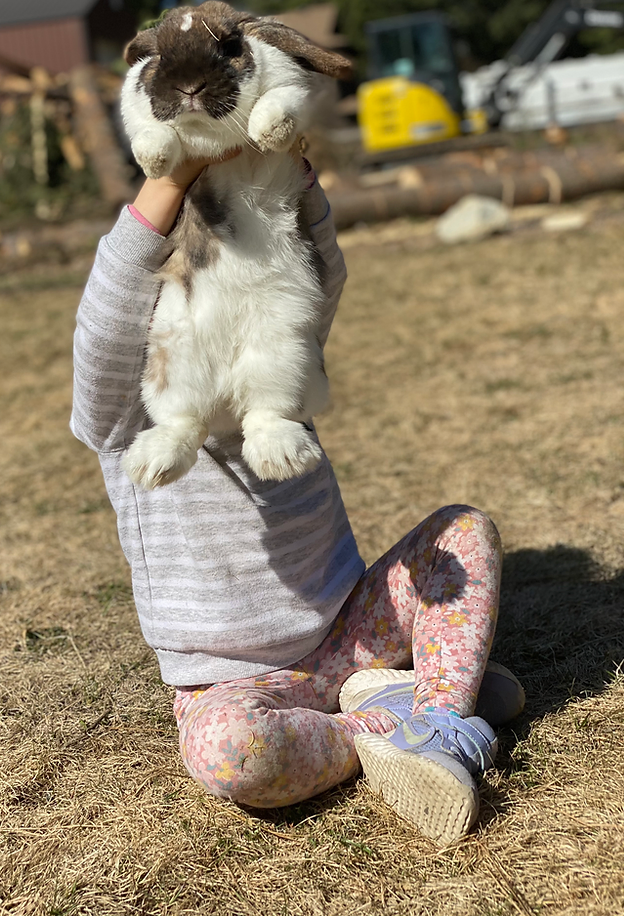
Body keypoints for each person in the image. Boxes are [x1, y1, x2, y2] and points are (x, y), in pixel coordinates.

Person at [70, 148, 524, 846]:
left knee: (463, 531)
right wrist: (168, 181)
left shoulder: (276, 380)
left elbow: (318, 271)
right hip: (232, 685)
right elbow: (104, 324)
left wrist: (290, 173)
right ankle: (399, 713)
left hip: (347, 633)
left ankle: (436, 723)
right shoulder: (127, 415)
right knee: (230, 753)